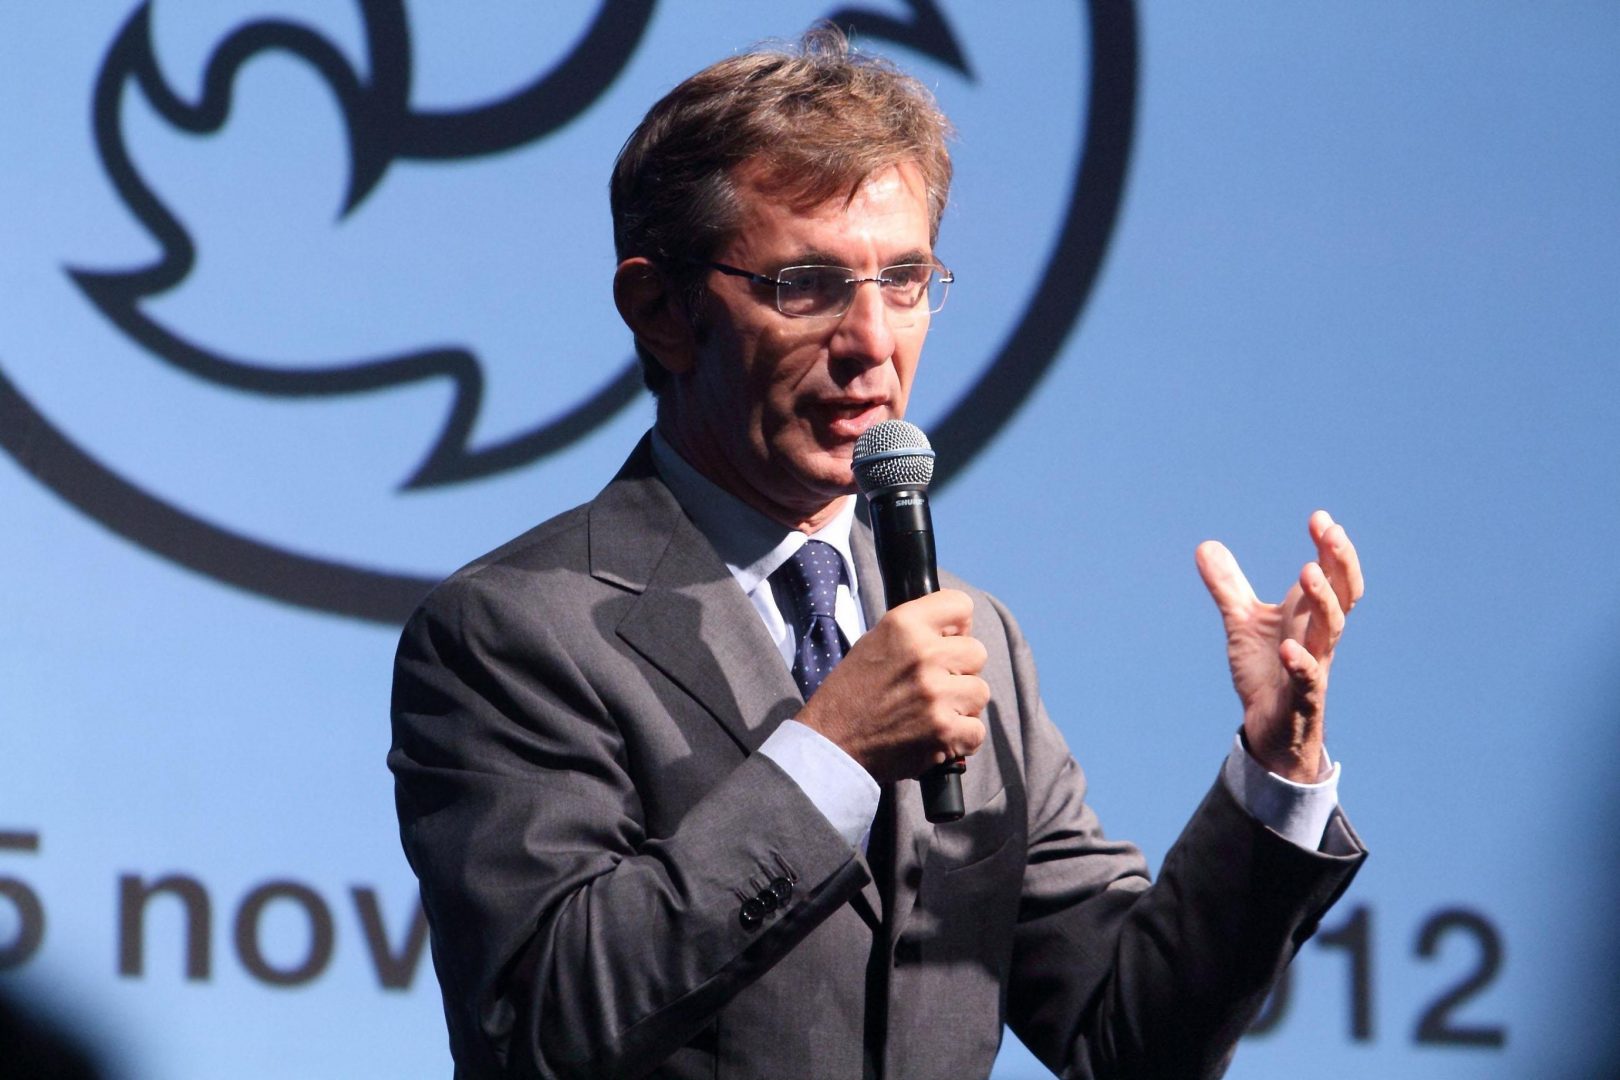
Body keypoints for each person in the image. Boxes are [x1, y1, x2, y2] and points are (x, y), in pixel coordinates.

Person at [389, 27, 1367, 1080]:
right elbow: (541, 1023)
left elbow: (1126, 1041)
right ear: (660, 310)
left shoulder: (973, 636)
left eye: (904, 280)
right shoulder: (514, 630)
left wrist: (1274, 773)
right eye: (807, 284)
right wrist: (831, 756)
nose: (872, 342)